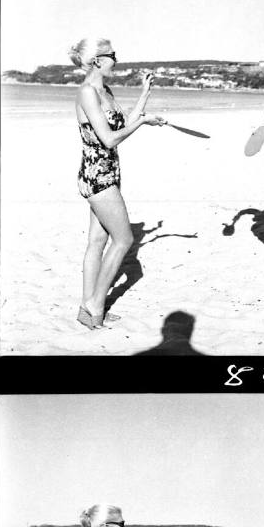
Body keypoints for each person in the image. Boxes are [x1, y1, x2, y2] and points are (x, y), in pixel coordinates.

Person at [68, 38, 167, 329]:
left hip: (107, 171)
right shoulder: (87, 92)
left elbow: (123, 124)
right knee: (124, 240)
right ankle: (96, 304)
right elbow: (109, 139)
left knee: (97, 241)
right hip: (98, 175)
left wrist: (145, 95)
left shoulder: (105, 91)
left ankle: (87, 310)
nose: (117, 60)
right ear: (97, 60)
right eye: (112, 55)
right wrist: (143, 123)